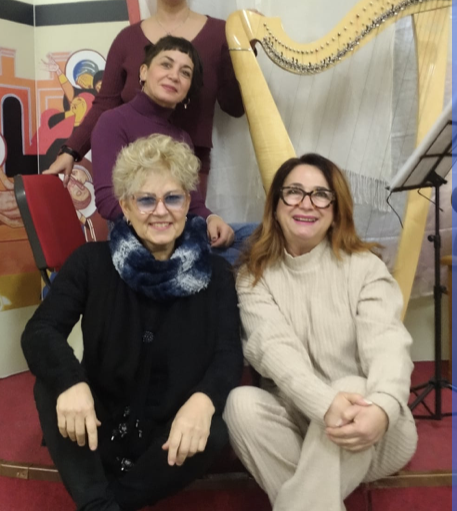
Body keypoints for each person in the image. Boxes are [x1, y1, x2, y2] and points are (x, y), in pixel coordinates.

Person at [21, 134, 243, 511]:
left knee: (216, 427)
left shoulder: (217, 274)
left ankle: (107, 504)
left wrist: (203, 400)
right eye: (146, 199)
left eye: (173, 198)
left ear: (188, 203)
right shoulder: (91, 262)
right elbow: (40, 331)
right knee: (51, 384)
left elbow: (228, 354)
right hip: (97, 423)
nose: (161, 211)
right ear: (125, 206)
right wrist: (71, 382)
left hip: (170, 435)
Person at [223, 153, 417, 511]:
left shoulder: (365, 268)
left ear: (336, 210)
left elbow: (388, 345)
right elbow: (275, 352)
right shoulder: (254, 276)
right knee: (240, 405)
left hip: (372, 428)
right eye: (294, 192)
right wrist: (326, 405)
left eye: (321, 195)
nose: (306, 203)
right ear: (276, 206)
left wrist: (383, 407)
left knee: (352, 386)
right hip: (300, 424)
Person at [45, 0, 244, 198]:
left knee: (187, 223)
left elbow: (234, 107)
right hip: (132, 166)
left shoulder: (220, 34)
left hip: (189, 167)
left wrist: (244, 52)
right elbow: (105, 104)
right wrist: (71, 150)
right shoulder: (127, 39)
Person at [91, 35, 237, 249]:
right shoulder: (113, 122)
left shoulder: (182, 138)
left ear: (188, 88)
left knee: (258, 238)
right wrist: (163, 220)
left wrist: (211, 219)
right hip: (136, 240)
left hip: (179, 231)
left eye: (185, 72)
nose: (174, 76)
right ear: (143, 72)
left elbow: (193, 203)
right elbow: (108, 202)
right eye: (166, 65)